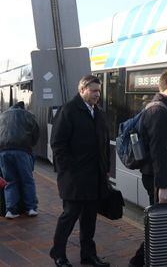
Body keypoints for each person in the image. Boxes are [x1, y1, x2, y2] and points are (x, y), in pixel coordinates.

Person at [49, 75, 111, 267]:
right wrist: (68, 171)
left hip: (94, 177)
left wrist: (106, 169)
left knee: (89, 219)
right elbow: (57, 144)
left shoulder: (98, 112)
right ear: (82, 90)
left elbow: (104, 144)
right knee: (69, 217)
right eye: (93, 91)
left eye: (99, 91)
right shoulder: (68, 111)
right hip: (74, 178)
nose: (97, 95)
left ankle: (88, 255)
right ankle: (58, 253)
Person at [129, 70, 167, 267]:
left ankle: (145, 261)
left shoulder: (158, 108)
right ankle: (139, 262)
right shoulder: (159, 112)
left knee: (160, 224)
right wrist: (162, 187)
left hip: (157, 176)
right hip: (157, 178)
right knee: (159, 225)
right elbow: (158, 151)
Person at [0, 101, 40, 219]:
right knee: (27, 179)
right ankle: (31, 208)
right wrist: (30, 145)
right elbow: (36, 133)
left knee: (10, 181)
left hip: (3, 151)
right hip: (22, 150)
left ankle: (11, 210)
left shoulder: (3, 115)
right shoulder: (27, 115)